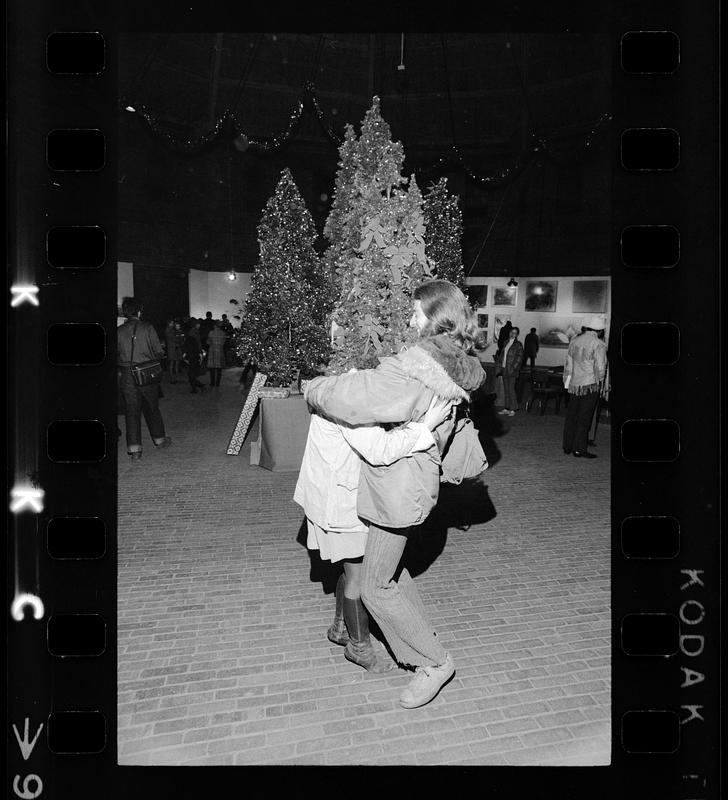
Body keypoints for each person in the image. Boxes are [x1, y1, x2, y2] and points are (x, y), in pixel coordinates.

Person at [304, 279, 485, 709]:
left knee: (375, 586)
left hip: (399, 488)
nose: (410, 318)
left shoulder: (419, 365)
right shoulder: (453, 361)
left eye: (417, 311)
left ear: (436, 318)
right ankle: (422, 641)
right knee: (390, 572)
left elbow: (357, 396)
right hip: (411, 483)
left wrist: (315, 388)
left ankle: (434, 662)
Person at [294, 394, 452, 673]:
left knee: (353, 563)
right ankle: (359, 648)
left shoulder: (341, 386)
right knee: (361, 576)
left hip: (336, 493)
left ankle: (343, 629)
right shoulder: (351, 398)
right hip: (341, 501)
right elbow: (381, 449)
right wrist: (426, 426)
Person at [117, 297, 172, 461]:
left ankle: (135, 451)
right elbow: (158, 351)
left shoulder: (118, 331)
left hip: (127, 374)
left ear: (125, 312)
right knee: (152, 407)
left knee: (131, 411)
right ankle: (160, 441)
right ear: (139, 311)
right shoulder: (147, 328)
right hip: (146, 372)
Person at [562, 315, 608, 458]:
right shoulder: (598, 344)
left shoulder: (574, 341)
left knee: (572, 415)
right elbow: (601, 367)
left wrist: (567, 383)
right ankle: (579, 449)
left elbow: (568, 365)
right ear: (599, 331)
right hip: (590, 384)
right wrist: (601, 384)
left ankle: (567, 446)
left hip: (575, 384)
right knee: (584, 417)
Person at [496, 326, 524, 416]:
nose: (513, 334)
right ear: (509, 333)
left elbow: (519, 359)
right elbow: (502, 355)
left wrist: (513, 368)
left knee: (511, 389)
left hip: (512, 370)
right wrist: (499, 366)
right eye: (512, 332)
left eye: (515, 333)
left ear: (517, 335)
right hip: (504, 369)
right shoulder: (506, 342)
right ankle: (507, 408)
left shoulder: (518, 345)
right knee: (506, 389)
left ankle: (514, 408)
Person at [183, 319, 206, 394]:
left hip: (192, 355)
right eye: (198, 324)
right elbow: (195, 344)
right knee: (192, 373)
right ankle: (198, 386)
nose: (199, 325)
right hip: (194, 354)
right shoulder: (193, 333)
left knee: (191, 373)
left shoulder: (193, 333)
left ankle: (196, 387)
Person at [206, 321, 227, 388]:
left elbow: (208, 342)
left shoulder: (211, 333)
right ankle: (217, 383)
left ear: (214, 326)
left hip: (212, 351)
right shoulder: (223, 333)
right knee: (219, 369)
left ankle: (212, 383)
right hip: (220, 351)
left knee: (212, 369)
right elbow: (224, 342)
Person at [165, 319, 185, 384]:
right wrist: (181, 338)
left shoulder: (172, 330)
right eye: (172, 323)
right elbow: (174, 339)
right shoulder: (168, 330)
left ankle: (175, 378)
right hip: (172, 349)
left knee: (176, 363)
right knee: (173, 363)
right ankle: (172, 379)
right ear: (169, 323)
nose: (173, 324)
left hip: (175, 348)